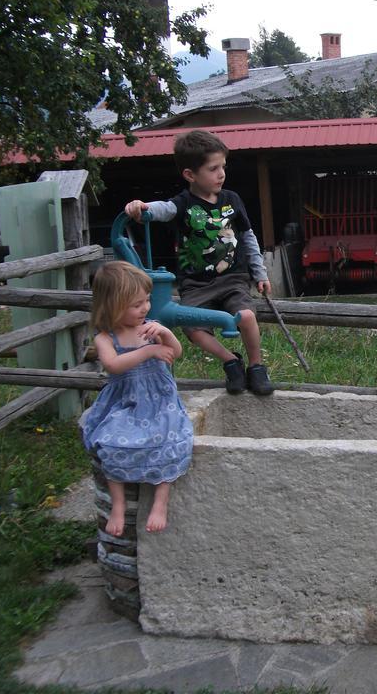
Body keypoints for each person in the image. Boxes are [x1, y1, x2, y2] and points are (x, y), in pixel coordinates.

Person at [124, 129, 275, 395]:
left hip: (233, 279)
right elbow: (162, 209)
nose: (221, 174)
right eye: (213, 168)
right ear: (190, 175)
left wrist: (260, 273)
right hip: (195, 284)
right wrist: (142, 206)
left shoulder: (232, 200)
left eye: (223, 167)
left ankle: (256, 366)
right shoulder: (182, 204)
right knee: (192, 328)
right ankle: (230, 360)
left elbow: (248, 236)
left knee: (248, 316)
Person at [81, 261, 193, 535]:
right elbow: (113, 365)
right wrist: (148, 352)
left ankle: (160, 501)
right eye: (136, 304)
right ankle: (118, 504)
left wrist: (166, 335)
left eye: (147, 301)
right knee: (109, 442)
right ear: (113, 306)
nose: (145, 308)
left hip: (160, 402)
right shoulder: (106, 338)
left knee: (171, 440)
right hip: (126, 402)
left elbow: (175, 352)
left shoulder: (152, 327)